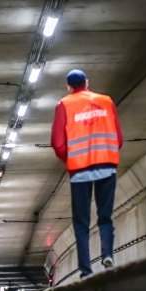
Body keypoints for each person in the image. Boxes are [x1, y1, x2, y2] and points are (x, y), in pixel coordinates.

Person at [51, 69, 123, 279]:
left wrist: (72, 158)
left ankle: (85, 270)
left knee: (81, 222)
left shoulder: (64, 105)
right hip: (107, 166)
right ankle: (107, 254)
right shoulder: (106, 101)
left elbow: (57, 143)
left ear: (69, 86)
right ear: (87, 83)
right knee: (105, 217)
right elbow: (118, 137)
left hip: (80, 171)